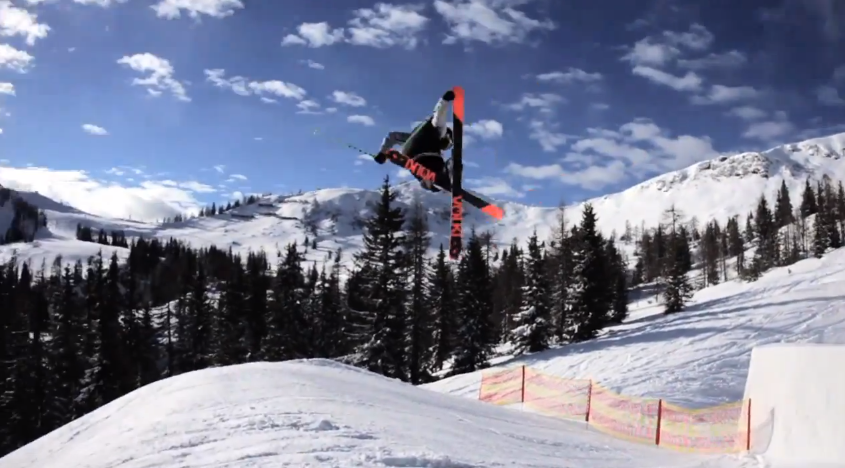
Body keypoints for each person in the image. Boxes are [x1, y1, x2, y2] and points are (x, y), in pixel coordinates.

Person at [375, 90, 455, 192]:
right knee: (445, 162)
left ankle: (426, 180)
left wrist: (382, 153)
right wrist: (444, 101)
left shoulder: (411, 137)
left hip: (412, 156)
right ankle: (443, 176)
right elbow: (439, 116)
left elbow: (392, 136)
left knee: (422, 167)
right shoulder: (439, 129)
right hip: (427, 156)